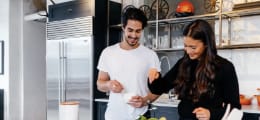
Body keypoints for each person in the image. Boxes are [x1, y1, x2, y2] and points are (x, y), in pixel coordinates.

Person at [148, 19, 241, 120]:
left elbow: (235, 109)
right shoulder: (183, 63)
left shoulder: (225, 67)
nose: (188, 51)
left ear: (206, 44)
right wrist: (154, 78)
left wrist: (211, 114)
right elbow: (160, 88)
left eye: (193, 47)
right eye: (185, 46)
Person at [96, 7, 160, 120]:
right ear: (123, 28)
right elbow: (100, 83)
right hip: (114, 116)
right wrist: (108, 84)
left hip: (140, 115)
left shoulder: (150, 55)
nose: (134, 35)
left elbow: (159, 88)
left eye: (138, 31)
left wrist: (145, 101)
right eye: (130, 30)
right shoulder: (108, 53)